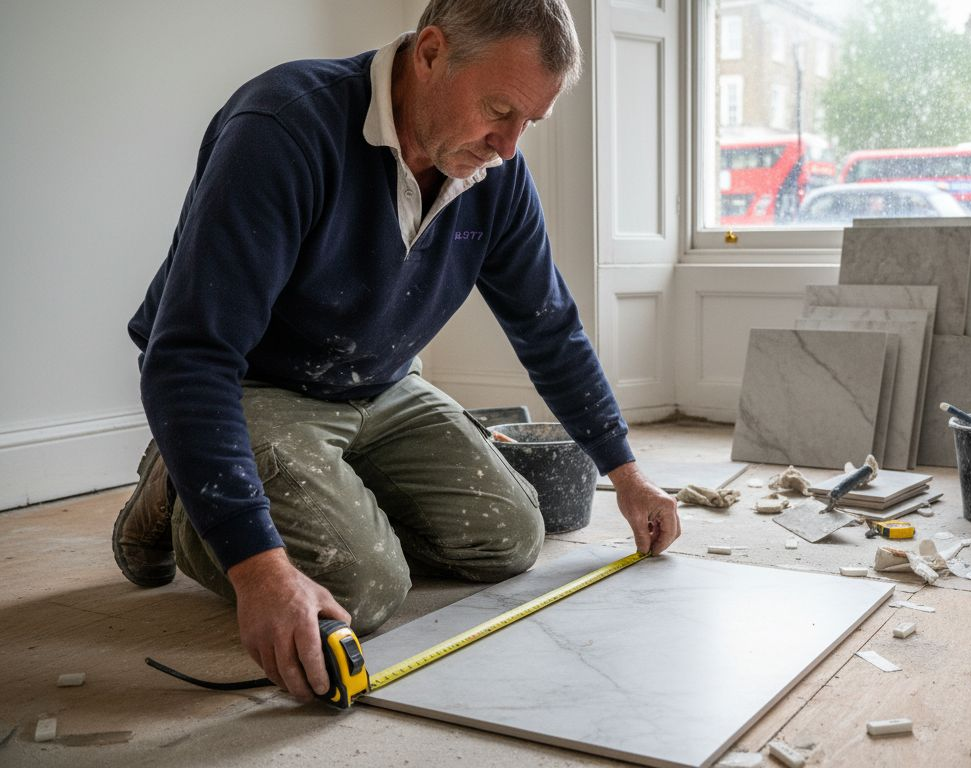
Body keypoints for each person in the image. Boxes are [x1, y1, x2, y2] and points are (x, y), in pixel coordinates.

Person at [114, 0, 680, 703]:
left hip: (381, 384)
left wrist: (625, 473)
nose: (508, 147)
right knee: (363, 586)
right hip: (255, 385)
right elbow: (188, 356)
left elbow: (550, 327)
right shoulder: (285, 128)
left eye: (528, 123)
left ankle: (312, 490)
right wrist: (258, 569)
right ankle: (179, 486)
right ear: (432, 52)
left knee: (509, 537)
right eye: (499, 108)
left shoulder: (494, 175)